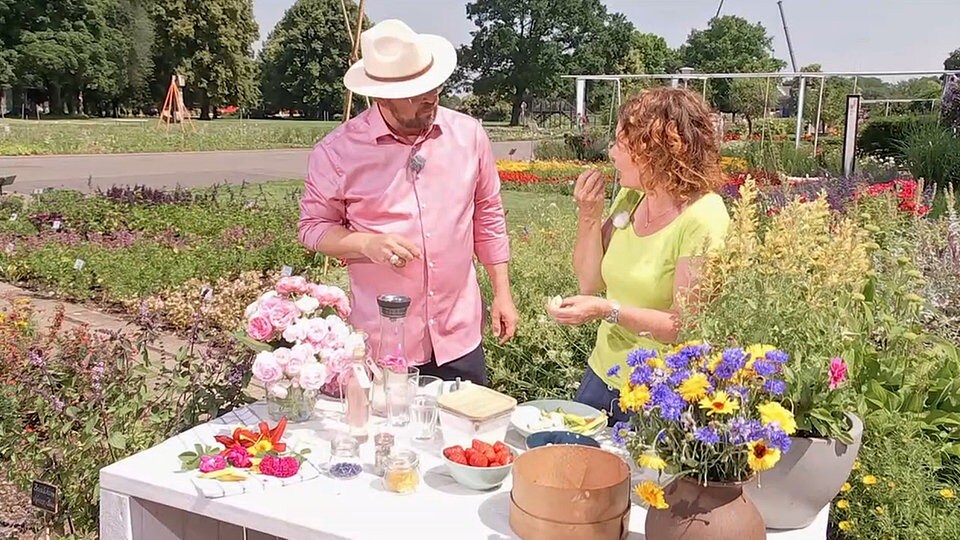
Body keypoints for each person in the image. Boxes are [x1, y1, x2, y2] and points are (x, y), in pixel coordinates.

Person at [298, 19, 518, 386]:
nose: (431, 98)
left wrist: (502, 293)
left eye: (434, 86)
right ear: (382, 97)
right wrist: (366, 244)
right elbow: (313, 227)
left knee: (467, 423)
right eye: (416, 94)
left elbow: (488, 215)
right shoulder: (337, 152)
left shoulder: (469, 136)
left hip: (459, 335)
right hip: (385, 341)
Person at [546, 87, 731, 423]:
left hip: (659, 392)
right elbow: (590, 281)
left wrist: (608, 310)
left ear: (655, 150)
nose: (611, 153)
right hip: (602, 375)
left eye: (620, 143)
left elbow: (684, 325)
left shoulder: (704, 217)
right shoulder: (631, 199)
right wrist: (589, 215)